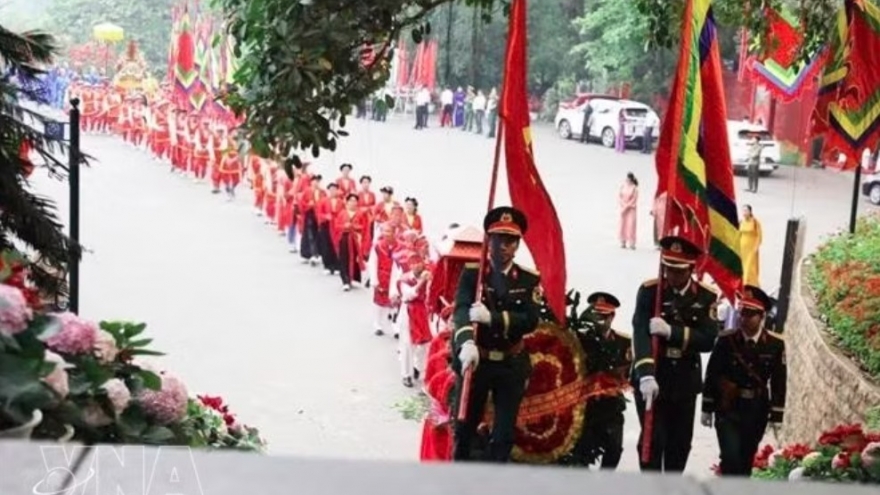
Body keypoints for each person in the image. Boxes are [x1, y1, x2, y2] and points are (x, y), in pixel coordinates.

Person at [451, 206, 542, 463]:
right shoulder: (473, 273)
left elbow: (530, 320)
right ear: (489, 240)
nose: (504, 246)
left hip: (509, 363)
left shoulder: (527, 280)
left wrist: (493, 318)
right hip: (477, 360)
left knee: (503, 436)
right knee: (464, 429)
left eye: (511, 241)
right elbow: (460, 309)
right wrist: (466, 342)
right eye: (499, 239)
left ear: (518, 245)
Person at [631, 235, 719, 473]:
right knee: (653, 440)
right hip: (654, 377)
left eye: (678, 271)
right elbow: (640, 332)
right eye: (668, 268)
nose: (671, 275)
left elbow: (708, 339)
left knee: (679, 446)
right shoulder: (650, 292)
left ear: (691, 268)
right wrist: (646, 374)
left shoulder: (705, 297)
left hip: (683, 381)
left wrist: (673, 332)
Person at [701, 285, 786, 476]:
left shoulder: (775, 345)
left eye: (749, 314)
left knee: (746, 459)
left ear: (761, 316)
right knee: (730, 456)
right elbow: (712, 373)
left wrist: (777, 415)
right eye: (741, 312)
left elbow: (779, 381)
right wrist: (707, 407)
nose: (743, 318)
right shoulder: (726, 340)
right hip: (728, 407)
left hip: (756, 409)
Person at [576, 292, 631, 469]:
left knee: (614, 449)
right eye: (596, 315)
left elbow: (628, 373)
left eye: (604, 316)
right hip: (586, 405)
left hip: (611, 405)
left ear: (612, 316)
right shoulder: (580, 340)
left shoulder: (624, 342)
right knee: (582, 451)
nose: (600, 320)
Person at [396, 252, 434, 387]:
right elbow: (409, 295)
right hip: (409, 312)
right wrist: (422, 282)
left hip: (423, 312)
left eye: (419, 262)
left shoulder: (429, 275)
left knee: (424, 344)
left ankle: (418, 368)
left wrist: (429, 280)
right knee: (407, 345)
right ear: (409, 265)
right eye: (413, 263)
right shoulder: (404, 280)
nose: (417, 265)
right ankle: (406, 374)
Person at [369, 224, 398, 336]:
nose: (386, 234)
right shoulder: (378, 246)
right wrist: (374, 279)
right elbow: (373, 263)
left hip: (394, 276)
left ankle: (395, 325)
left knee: (395, 302)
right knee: (379, 302)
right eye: (384, 231)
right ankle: (378, 324)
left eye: (389, 231)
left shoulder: (399, 246)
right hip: (382, 276)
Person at [334, 193, 367, 291]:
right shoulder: (342, 213)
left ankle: (352, 277)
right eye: (351, 201)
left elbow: (364, 227)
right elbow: (336, 226)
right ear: (347, 202)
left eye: (355, 201)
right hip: (344, 238)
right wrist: (345, 226)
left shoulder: (361, 214)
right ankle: (345, 280)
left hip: (356, 239)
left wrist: (355, 227)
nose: (353, 203)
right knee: (344, 258)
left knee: (354, 259)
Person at [317, 183, 343, 275]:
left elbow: (343, 213)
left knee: (336, 245)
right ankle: (327, 265)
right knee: (326, 245)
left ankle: (337, 266)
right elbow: (319, 213)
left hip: (337, 226)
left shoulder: (341, 201)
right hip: (326, 225)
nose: (333, 191)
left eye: (335, 189)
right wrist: (325, 216)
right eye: (331, 189)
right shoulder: (323, 201)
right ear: (329, 190)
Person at [299, 175, 324, 265]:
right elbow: (301, 203)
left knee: (318, 235)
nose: (316, 183)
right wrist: (309, 205)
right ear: (311, 182)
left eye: (318, 181)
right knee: (309, 235)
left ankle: (317, 253)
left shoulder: (322, 192)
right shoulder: (307, 191)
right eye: (314, 181)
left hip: (319, 216)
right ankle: (307, 254)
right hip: (310, 214)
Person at [618, 172, 638, 250]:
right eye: (627, 178)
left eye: (629, 178)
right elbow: (620, 196)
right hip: (623, 209)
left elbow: (634, 200)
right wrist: (622, 205)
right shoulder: (623, 186)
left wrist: (626, 207)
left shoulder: (634, 188)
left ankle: (632, 243)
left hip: (631, 209)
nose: (628, 180)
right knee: (623, 225)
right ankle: (623, 241)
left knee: (631, 225)